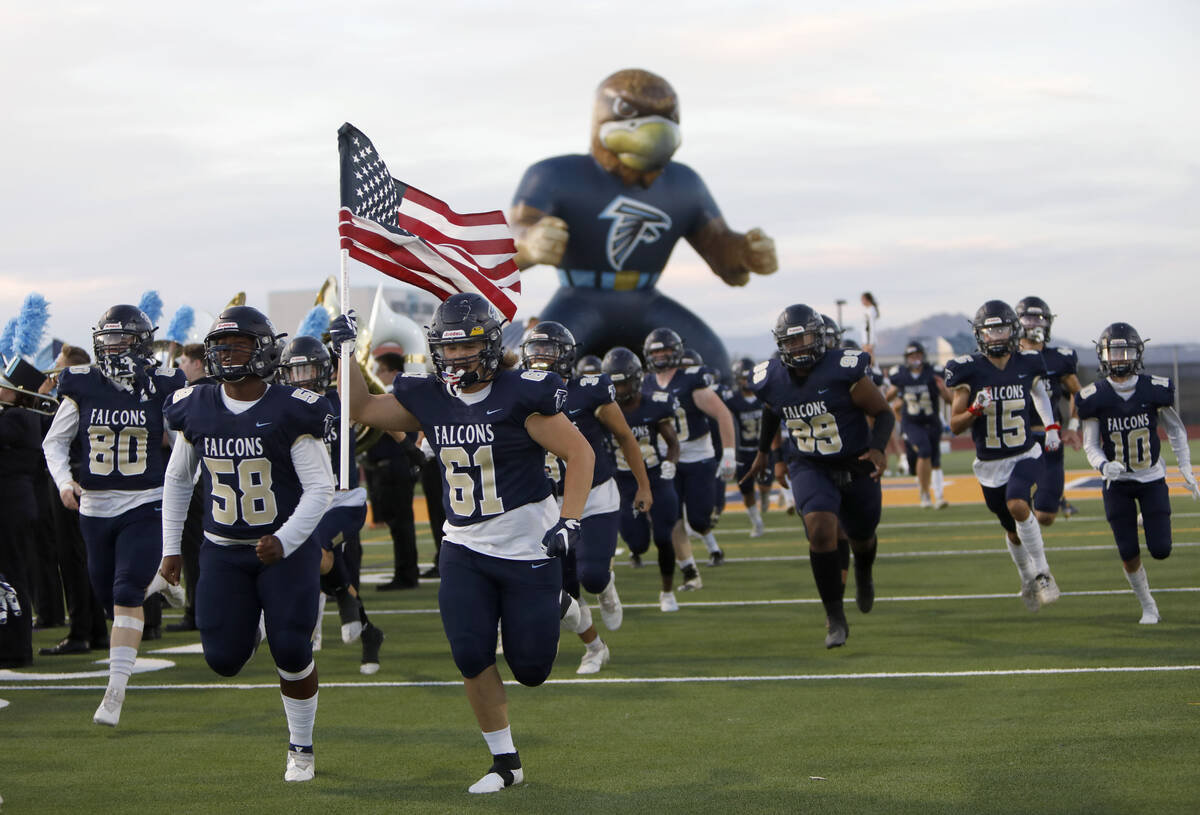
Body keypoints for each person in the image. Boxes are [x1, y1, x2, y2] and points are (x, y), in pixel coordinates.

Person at [337, 293, 594, 794]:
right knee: (471, 652)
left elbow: (579, 453)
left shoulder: (522, 395)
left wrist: (571, 520)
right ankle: (505, 762)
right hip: (464, 548)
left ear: (492, 346)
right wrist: (346, 354)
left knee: (533, 669)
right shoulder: (431, 396)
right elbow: (362, 406)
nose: (456, 358)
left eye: (466, 347)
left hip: (527, 547)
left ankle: (553, 609)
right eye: (447, 349)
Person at [158, 306, 334, 781]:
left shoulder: (292, 407)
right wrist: (171, 547)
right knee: (223, 660)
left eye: (238, 345)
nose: (226, 354)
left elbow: (322, 487)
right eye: (220, 346)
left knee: (293, 649)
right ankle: (251, 626)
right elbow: (178, 479)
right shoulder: (196, 405)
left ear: (265, 350)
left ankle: (301, 747)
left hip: (285, 548)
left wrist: (286, 538)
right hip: (221, 548)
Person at [42, 305, 188, 724]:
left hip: (146, 500)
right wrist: (65, 483)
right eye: (106, 339)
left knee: (124, 591)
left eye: (121, 338)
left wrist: (179, 484)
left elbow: (183, 440)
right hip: (95, 505)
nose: (112, 346)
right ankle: (159, 581)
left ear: (140, 341)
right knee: (110, 598)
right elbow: (54, 442)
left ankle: (115, 691)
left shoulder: (162, 383)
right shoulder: (83, 383)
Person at [743, 304, 895, 648]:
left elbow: (883, 413)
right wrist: (765, 453)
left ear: (819, 337)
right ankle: (835, 617)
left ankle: (864, 570)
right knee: (821, 527)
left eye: (805, 339)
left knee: (862, 534)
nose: (799, 348)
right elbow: (771, 411)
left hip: (855, 461)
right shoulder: (772, 379)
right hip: (810, 463)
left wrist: (878, 448)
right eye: (792, 342)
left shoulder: (842, 371)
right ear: (781, 344)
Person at [522, 322, 651, 673]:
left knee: (592, 575)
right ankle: (594, 647)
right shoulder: (518, 395)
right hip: (547, 503)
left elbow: (625, 436)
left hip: (594, 495)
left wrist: (643, 484)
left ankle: (606, 587)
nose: (540, 358)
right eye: (534, 351)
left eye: (548, 351)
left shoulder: (590, 390)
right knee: (561, 592)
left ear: (566, 356)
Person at [1076, 323, 1199, 623]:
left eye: (1124, 351)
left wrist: (1185, 466)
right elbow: (1090, 445)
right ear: (1103, 356)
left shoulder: (1153, 388)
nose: (1119, 358)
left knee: (1161, 550)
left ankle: (1147, 516)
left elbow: (1177, 431)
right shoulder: (1095, 396)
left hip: (1151, 478)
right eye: (1113, 352)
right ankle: (1148, 605)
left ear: (1136, 354)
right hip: (1116, 483)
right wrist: (1104, 465)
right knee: (1128, 550)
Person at [944, 300, 1062, 613]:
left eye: (1002, 328)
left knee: (1018, 505)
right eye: (990, 330)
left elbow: (1038, 391)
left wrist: (1050, 426)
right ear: (980, 334)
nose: (997, 335)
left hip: (1025, 453)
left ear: (1013, 330)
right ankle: (1026, 578)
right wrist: (974, 410)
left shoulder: (1028, 362)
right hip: (989, 464)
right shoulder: (967, 370)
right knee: (1011, 529)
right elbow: (955, 425)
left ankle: (1043, 573)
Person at [279, 336, 384, 673]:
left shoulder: (341, 402)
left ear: (324, 370)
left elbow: (377, 409)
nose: (303, 377)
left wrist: (410, 448)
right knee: (322, 561)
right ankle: (367, 628)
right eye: (296, 371)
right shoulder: (285, 408)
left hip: (345, 499)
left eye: (309, 369)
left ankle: (343, 604)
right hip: (309, 502)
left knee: (318, 549)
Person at [642, 327, 736, 572]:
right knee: (670, 517)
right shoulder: (646, 384)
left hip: (698, 458)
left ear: (677, 351)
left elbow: (723, 415)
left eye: (666, 349)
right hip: (666, 460)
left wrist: (728, 454)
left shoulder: (691, 380)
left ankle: (708, 543)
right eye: (656, 350)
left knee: (698, 520)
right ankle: (689, 569)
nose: (661, 354)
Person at [603, 347, 684, 610]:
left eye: (624, 382)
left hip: (655, 475)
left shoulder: (654, 404)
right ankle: (638, 544)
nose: (621, 389)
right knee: (637, 542)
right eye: (615, 383)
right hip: (623, 481)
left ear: (636, 378)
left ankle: (667, 592)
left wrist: (671, 464)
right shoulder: (603, 410)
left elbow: (672, 442)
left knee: (663, 536)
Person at [1016, 297, 1083, 523]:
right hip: (1017, 441)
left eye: (1040, 318)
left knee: (1045, 515)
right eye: (1028, 318)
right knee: (1016, 506)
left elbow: (1078, 393)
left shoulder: (1058, 359)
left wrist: (1073, 427)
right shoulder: (1008, 358)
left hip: (1048, 437)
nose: (1034, 324)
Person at [0, 357, 47, 668]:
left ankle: (15, 649)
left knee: (12, 577)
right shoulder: (18, 416)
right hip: (14, 506)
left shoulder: (16, 419)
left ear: (17, 393)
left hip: (10, 508)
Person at [365, 352, 423, 591]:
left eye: (380, 370)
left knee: (401, 523)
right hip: (392, 464)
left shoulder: (392, 395)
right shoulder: (398, 395)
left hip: (394, 464)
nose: (376, 375)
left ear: (392, 372)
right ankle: (407, 572)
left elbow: (386, 424)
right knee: (399, 522)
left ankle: (406, 574)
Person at [165, 343, 210, 632]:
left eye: (184, 362)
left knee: (193, 551)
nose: (180, 367)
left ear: (198, 364)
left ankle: (196, 611)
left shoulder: (196, 396)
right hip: (209, 480)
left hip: (201, 480)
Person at [885, 341, 954, 508]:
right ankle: (924, 494)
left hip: (931, 421)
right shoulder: (900, 375)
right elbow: (889, 397)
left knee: (935, 459)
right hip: (912, 422)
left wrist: (943, 389)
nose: (915, 359)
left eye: (918, 355)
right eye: (912, 356)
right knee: (924, 451)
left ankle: (938, 497)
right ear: (907, 358)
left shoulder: (933, 373)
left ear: (923, 356)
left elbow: (949, 400)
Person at [720, 358, 767, 537]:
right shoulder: (732, 400)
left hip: (762, 450)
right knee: (746, 490)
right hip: (744, 452)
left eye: (748, 378)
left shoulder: (764, 395)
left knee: (764, 484)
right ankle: (757, 522)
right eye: (742, 378)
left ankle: (763, 497)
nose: (745, 382)